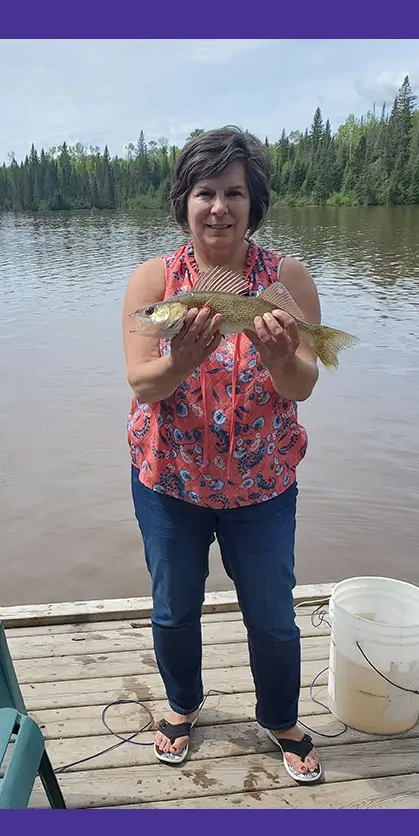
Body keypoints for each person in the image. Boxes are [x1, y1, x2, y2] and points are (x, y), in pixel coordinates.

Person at [120, 125, 323, 784]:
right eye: (206, 191)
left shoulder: (286, 279)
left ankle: (282, 718)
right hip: (169, 481)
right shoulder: (155, 283)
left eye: (233, 192)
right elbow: (141, 382)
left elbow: (303, 385)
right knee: (174, 607)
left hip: (261, 485)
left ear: (252, 202)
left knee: (272, 614)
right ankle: (181, 706)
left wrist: (276, 352)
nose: (219, 206)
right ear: (185, 201)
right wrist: (178, 356)